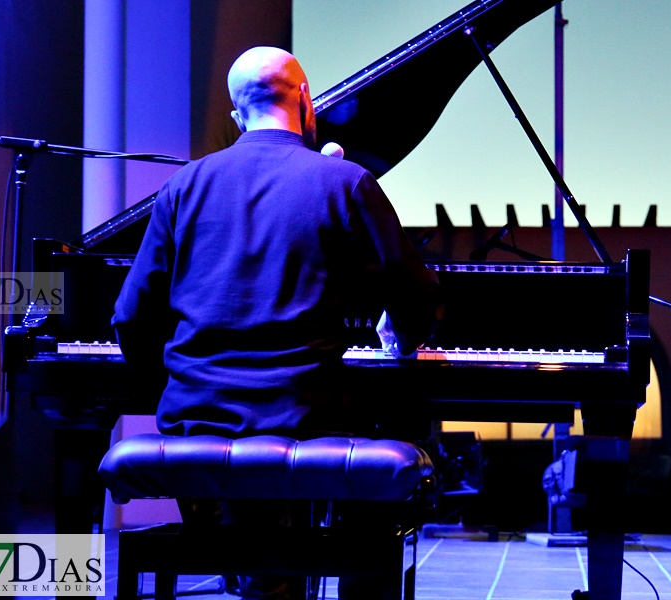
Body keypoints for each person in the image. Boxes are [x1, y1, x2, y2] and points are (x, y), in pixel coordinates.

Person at [112, 46, 441, 598]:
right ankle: (341, 575)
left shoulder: (183, 188)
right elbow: (413, 299)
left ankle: (258, 577)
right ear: (307, 102)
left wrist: (171, 387)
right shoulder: (347, 183)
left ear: (237, 115)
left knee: (249, 524)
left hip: (197, 418)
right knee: (388, 428)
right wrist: (400, 340)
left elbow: (130, 318)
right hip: (306, 416)